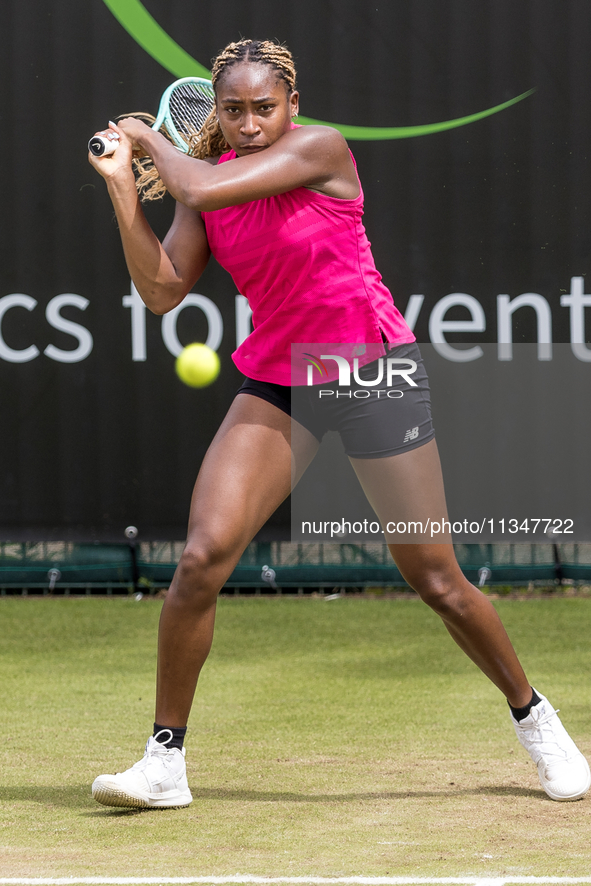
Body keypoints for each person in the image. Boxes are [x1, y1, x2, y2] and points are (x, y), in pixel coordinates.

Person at [88, 38, 589, 808]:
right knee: (200, 557)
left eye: (264, 107)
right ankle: (164, 762)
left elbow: (191, 176)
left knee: (435, 579)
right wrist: (125, 190)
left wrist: (150, 137)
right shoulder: (203, 187)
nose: (250, 122)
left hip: (368, 372)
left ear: (291, 105)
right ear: (216, 112)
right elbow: (160, 289)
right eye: (233, 110)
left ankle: (537, 722)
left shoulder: (320, 149)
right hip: (279, 379)